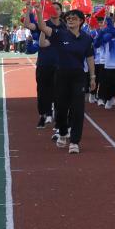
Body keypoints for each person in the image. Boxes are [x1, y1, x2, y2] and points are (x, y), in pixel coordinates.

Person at [36, 8, 97, 153]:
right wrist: (39, 13)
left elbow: (90, 58)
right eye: (68, 18)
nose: (70, 20)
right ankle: (63, 133)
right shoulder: (59, 34)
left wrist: (93, 77)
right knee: (61, 108)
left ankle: (75, 142)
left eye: (74, 18)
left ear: (81, 21)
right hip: (61, 75)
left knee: (78, 109)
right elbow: (43, 27)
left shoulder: (86, 38)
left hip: (78, 76)